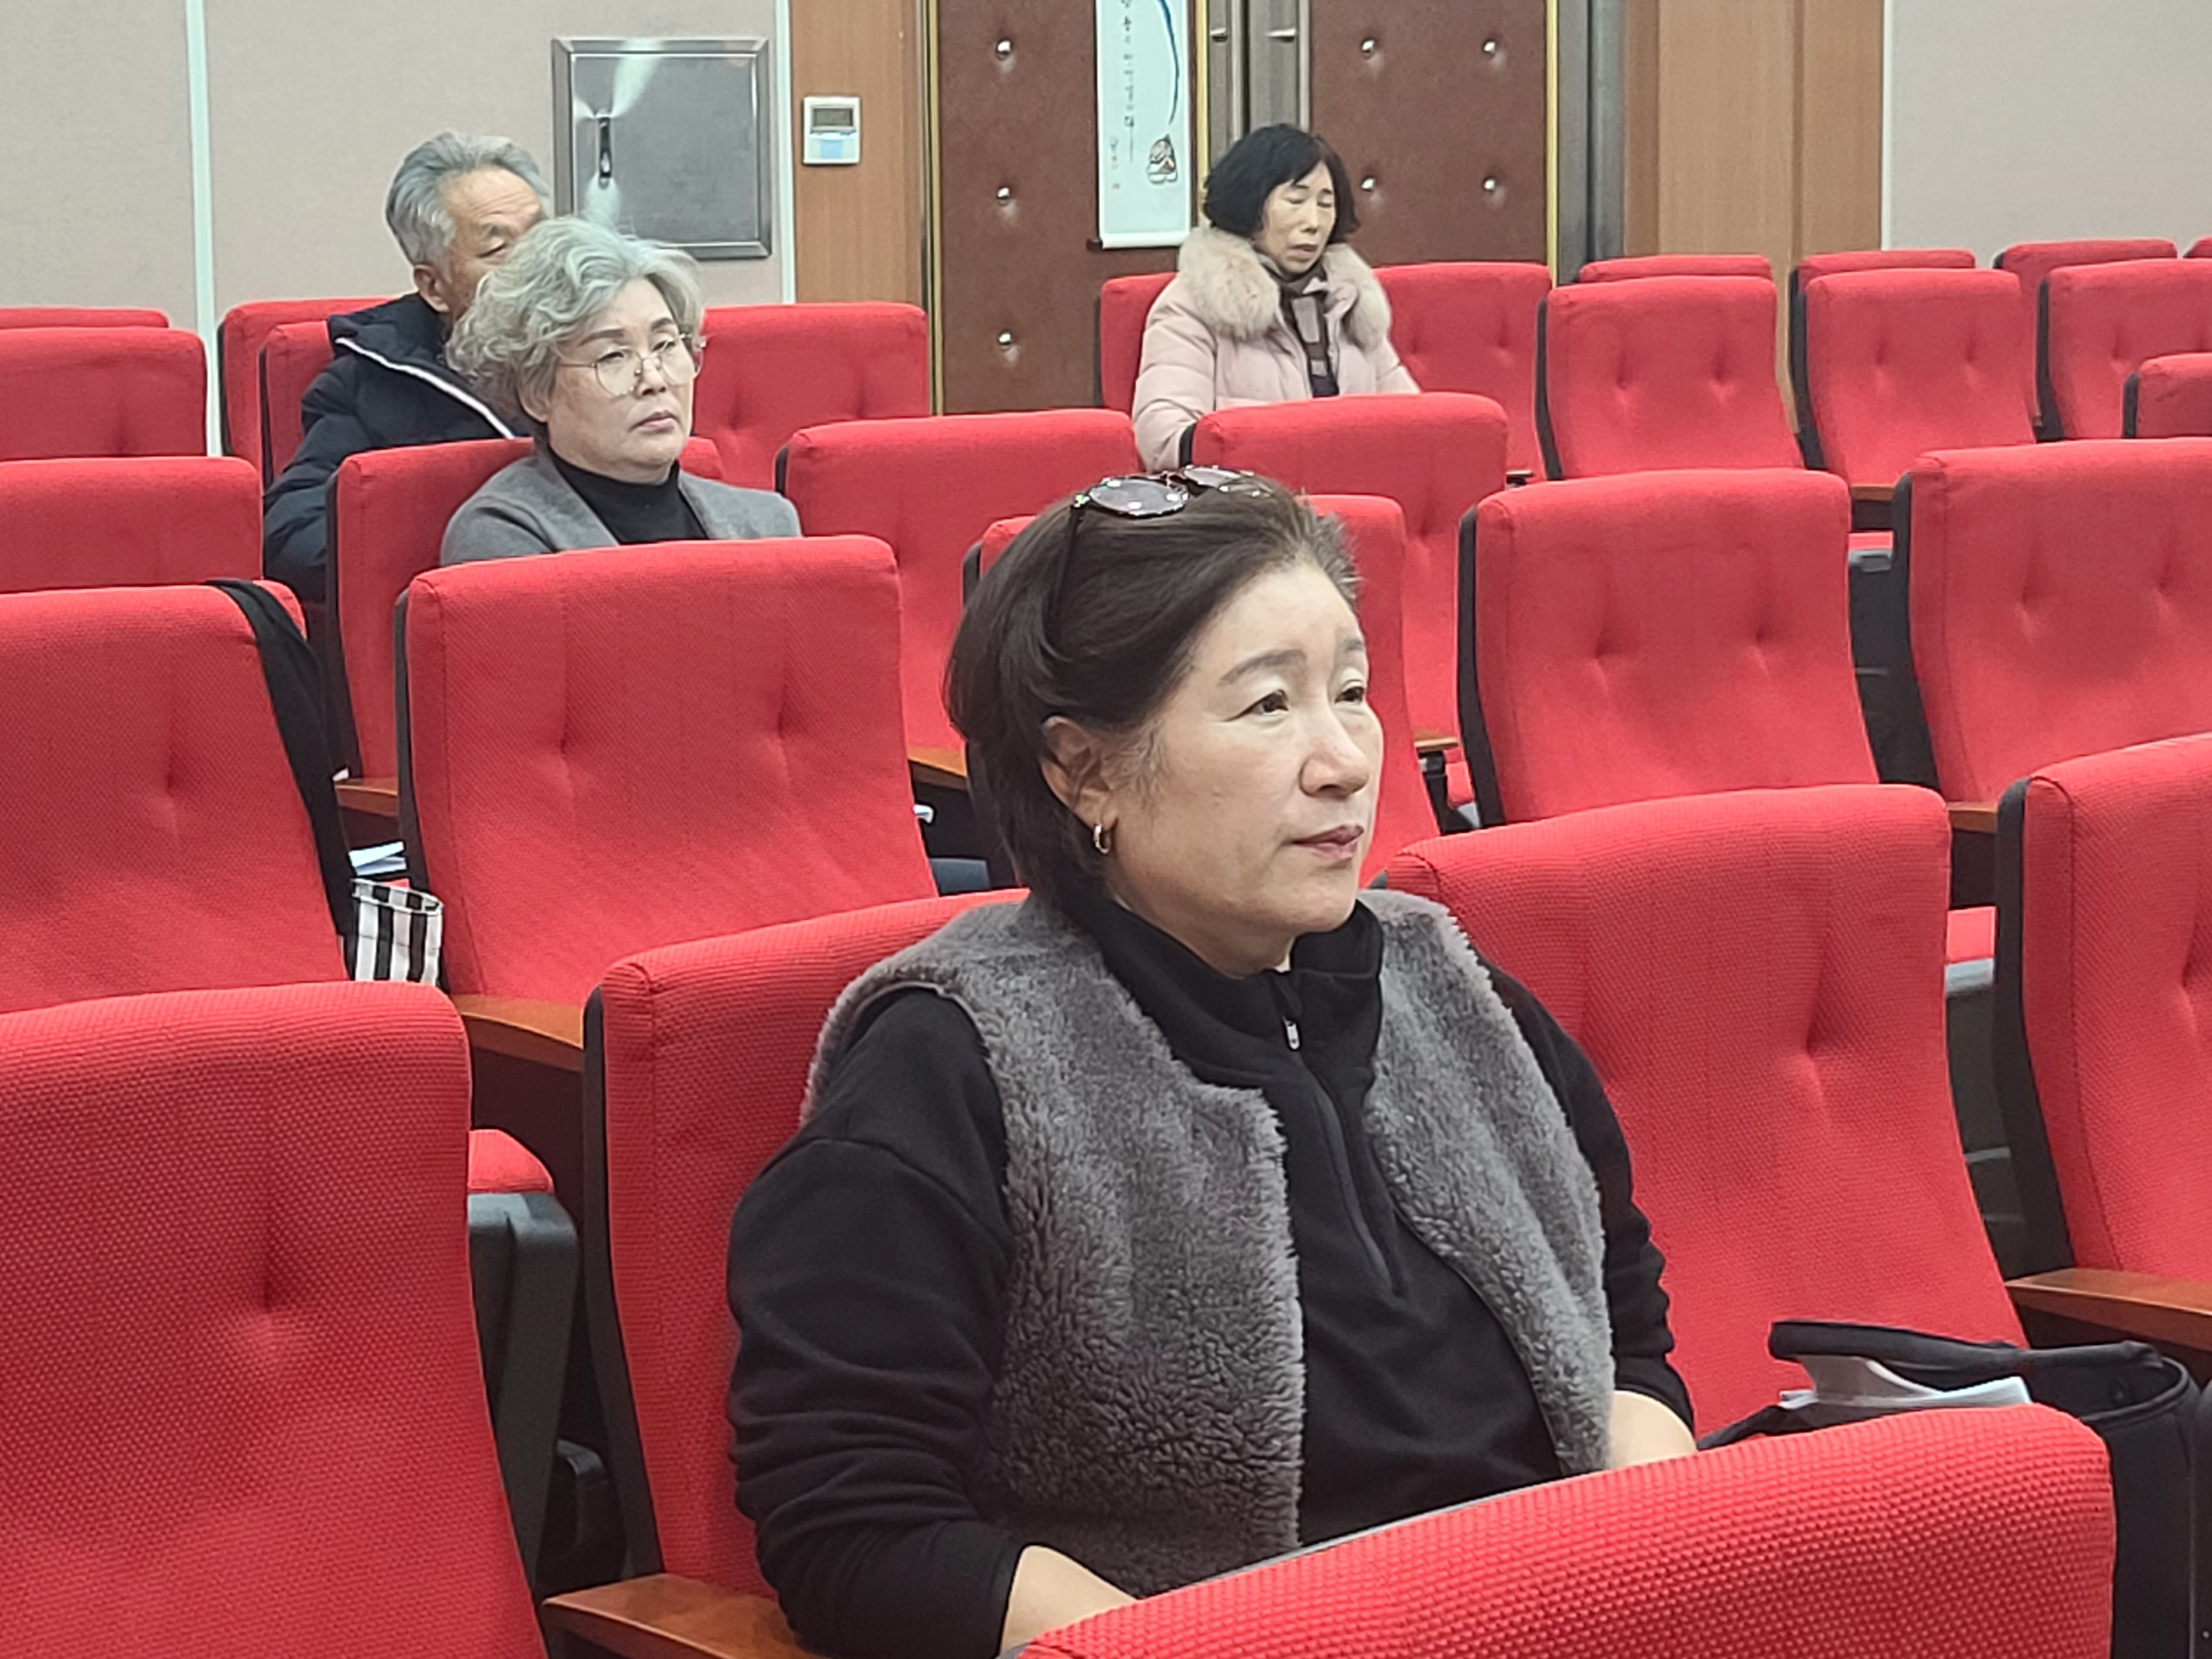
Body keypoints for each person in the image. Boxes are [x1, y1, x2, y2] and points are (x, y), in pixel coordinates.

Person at [726, 473, 1695, 1659]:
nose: (1343, 760)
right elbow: (857, 1529)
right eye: (1267, 706)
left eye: (1352, 692)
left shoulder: (1454, 988)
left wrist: (1657, 1554)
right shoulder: (955, 1065)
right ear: (1082, 770)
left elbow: (1625, 1330)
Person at [262, 132, 550, 603]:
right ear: (434, 287)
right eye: (499, 250)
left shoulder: (613, 349)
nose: (539, 268)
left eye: (541, 238)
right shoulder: (368, 384)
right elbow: (293, 536)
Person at [439, 219, 796, 562]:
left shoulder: (767, 524)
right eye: (613, 356)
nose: (654, 380)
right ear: (536, 393)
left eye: (666, 345)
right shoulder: (501, 534)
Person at [1131, 126, 1420, 471]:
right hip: (1252, 497)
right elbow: (1164, 439)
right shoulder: (1193, 304)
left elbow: (1414, 424)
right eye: (1296, 201)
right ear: (1250, 204)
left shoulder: (1348, 302)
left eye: (1325, 204)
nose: (1313, 223)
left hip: (1360, 493)